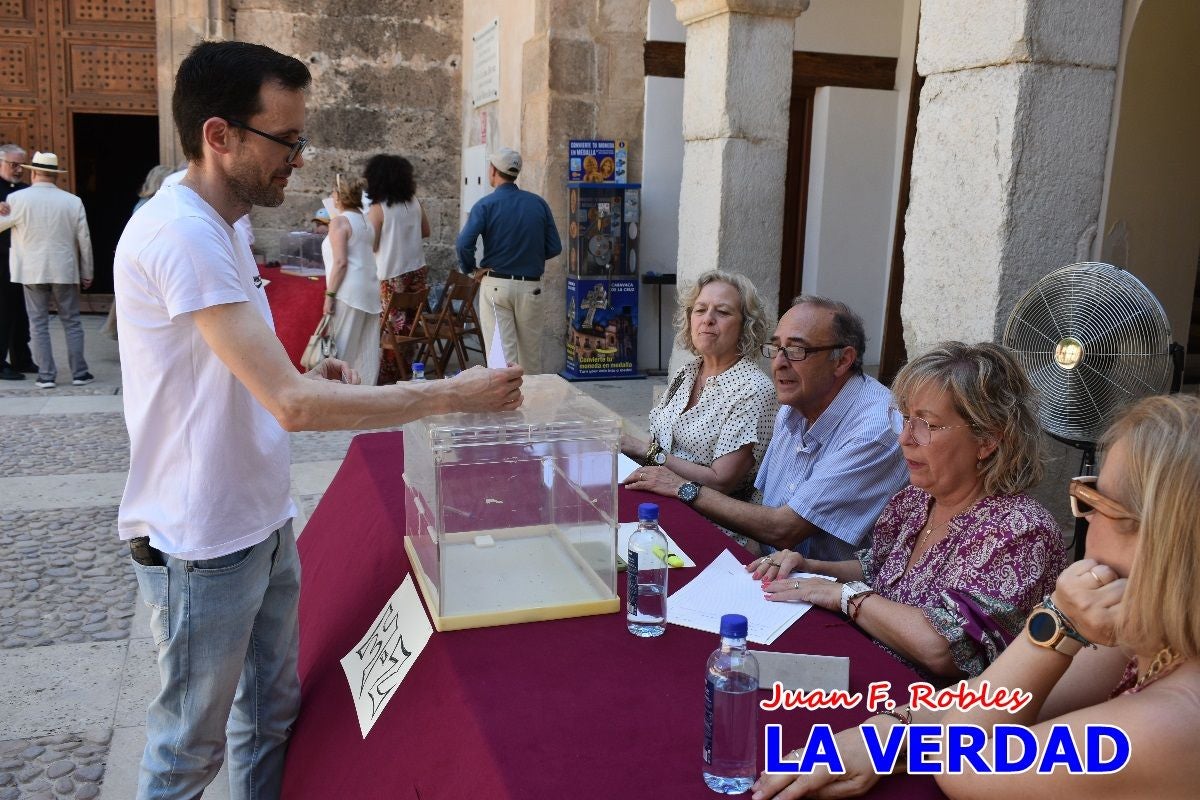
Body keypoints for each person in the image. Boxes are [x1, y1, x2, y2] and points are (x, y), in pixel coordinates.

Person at [114, 41, 522, 800]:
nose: (299, 159)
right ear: (220, 134)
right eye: (287, 140)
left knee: (270, 717)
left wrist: (303, 370)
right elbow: (292, 409)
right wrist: (449, 396)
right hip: (202, 536)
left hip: (259, 515)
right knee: (185, 752)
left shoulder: (226, 222)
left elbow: (258, 377)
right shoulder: (183, 232)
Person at [751, 393, 1200, 800]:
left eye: (1093, 498)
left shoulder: (1173, 725)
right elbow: (1000, 698)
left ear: (1162, 541)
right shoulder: (1139, 640)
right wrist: (888, 731)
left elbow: (965, 766)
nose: (906, 439)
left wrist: (1058, 620)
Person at [750, 342, 1066, 678]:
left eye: (926, 424)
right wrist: (810, 567)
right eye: (904, 419)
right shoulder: (917, 498)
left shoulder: (1021, 532)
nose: (904, 438)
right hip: (863, 671)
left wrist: (844, 596)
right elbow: (883, 572)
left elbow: (947, 649)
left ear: (987, 440)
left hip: (930, 714)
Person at [625, 295, 908, 559]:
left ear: (843, 360)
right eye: (776, 348)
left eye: (796, 350)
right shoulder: (793, 405)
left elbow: (783, 529)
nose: (779, 363)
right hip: (772, 568)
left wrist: (681, 487)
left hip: (828, 594)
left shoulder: (875, 430)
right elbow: (766, 518)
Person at [620, 269, 777, 551]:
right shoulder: (688, 372)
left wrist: (645, 450)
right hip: (660, 503)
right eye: (700, 309)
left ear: (746, 325)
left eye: (723, 312)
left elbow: (721, 483)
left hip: (712, 525)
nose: (708, 319)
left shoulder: (753, 389)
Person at [455, 147, 562, 374]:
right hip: (530, 286)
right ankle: (531, 404)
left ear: (493, 171)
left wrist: (471, 268)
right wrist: (527, 257)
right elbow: (555, 247)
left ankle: (505, 406)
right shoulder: (538, 203)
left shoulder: (485, 205)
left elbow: (464, 243)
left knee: (500, 358)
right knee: (530, 357)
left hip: (495, 284)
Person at [0, 151, 94, 388]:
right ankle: (79, 373)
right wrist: (87, 271)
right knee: (72, 321)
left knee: (38, 323)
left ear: (33, 172)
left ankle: (46, 375)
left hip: (31, 270)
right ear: (55, 176)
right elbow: (84, 240)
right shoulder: (72, 201)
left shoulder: (16, 199)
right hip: (64, 269)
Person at [363, 153, 429, 384]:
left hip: (390, 275)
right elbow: (426, 231)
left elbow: (371, 243)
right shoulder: (414, 203)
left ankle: (387, 376)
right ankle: (405, 371)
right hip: (416, 271)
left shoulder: (379, 209)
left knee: (389, 331)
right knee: (408, 329)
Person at [321, 175, 381, 385]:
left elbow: (340, 262)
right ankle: (365, 396)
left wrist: (330, 295)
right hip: (370, 291)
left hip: (348, 292)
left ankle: (337, 398)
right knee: (366, 352)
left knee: (341, 350)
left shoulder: (339, 221)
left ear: (339, 196)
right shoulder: (367, 223)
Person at [0, 143, 35, 380]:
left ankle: (21, 358)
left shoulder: (25, 190)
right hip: (0, 260)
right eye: (14, 165)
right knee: (2, 313)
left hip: (21, 258)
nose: (19, 170)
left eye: (22, 165)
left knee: (21, 313)